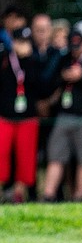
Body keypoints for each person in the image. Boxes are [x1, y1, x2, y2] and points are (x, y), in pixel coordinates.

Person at [41, 29, 82, 202]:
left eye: (78, 46)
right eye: (73, 47)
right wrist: (63, 77)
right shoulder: (64, 59)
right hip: (65, 115)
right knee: (56, 153)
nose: (75, 50)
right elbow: (48, 82)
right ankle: (48, 194)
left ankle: (79, 196)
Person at [0, 26, 43, 203]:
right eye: (19, 42)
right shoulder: (4, 59)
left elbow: (40, 86)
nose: (23, 45)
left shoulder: (34, 61)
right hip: (5, 116)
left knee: (25, 157)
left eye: (26, 42)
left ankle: (18, 194)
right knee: (1, 154)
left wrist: (29, 60)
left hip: (28, 118)